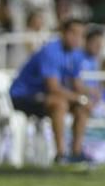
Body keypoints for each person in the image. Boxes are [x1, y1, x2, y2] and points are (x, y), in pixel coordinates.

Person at [9, 19, 91, 162]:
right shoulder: (50, 51)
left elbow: (77, 84)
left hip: (44, 96)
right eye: (74, 33)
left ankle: (76, 153)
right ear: (63, 33)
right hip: (23, 96)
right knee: (59, 103)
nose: (77, 38)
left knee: (82, 107)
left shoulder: (75, 55)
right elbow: (53, 88)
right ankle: (60, 154)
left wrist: (89, 95)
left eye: (81, 35)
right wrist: (79, 97)